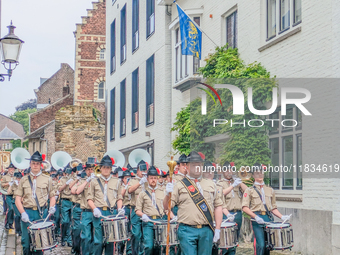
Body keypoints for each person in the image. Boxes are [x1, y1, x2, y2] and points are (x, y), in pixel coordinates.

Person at [164, 151, 223, 255]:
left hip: (206, 229)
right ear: (186, 166)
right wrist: (167, 194)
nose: (197, 167)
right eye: (194, 165)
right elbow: (167, 207)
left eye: (199, 165)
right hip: (187, 230)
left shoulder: (211, 184)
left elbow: (218, 206)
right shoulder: (179, 185)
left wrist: (217, 228)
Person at [242, 163, 291, 255]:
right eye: (257, 173)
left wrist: (282, 216)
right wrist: (255, 217)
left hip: (268, 218)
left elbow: (273, 208)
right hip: (257, 219)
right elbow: (245, 207)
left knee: (268, 245)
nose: (260, 175)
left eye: (261, 172)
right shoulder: (249, 190)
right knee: (260, 245)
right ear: (253, 175)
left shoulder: (270, 190)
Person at [15, 151, 56, 255]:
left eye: (37, 163)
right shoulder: (24, 180)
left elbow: (52, 196)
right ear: (30, 164)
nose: (35, 165)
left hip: (41, 213)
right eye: (33, 163)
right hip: (27, 212)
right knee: (26, 243)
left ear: (40, 165)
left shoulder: (48, 179)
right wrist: (22, 213)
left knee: (40, 244)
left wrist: (52, 207)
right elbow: (17, 199)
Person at [87, 155, 124, 255]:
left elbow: (119, 197)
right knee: (98, 242)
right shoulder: (94, 181)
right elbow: (89, 199)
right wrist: (94, 209)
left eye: (108, 167)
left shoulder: (117, 181)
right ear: (101, 168)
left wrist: (120, 209)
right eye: (104, 167)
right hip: (99, 212)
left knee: (110, 242)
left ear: (111, 169)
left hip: (111, 212)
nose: (106, 170)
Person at [135, 166, 173, 255]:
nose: (153, 180)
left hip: (161, 221)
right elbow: (137, 210)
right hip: (148, 221)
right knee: (149, 246)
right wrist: (143, 215)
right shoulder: (142, 193)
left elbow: (167, 209)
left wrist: (173, 217)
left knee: (160, 247)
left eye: (155, 178)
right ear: (147, 179)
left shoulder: (163, 192)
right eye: (151, 178)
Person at [216, 161, 247, 255]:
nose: (229, 172)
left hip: (237, 213)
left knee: (234, 241)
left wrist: (239, 182)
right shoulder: (220, 183)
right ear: (223, 172)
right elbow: (221, 193)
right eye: (226, 170)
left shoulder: (236, 182)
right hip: (226, 214)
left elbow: (247, 191)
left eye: (230, 170)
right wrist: (232, 186)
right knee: (225, 241)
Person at [73, 159, 96, 255]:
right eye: (88, 169)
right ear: (85, 170)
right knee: (86, 237)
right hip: (86, 211)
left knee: (96, 238)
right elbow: (77, 191)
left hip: (96, 211)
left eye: (92, 169)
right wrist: (87, 180)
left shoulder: (98, 181)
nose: (90, 171)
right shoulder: (82, 180)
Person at [127, 160, 148, 255]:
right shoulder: (133, 180)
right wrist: (140, 182)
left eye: (145, 169)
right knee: (136, 234)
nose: (143, 172)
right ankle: (135, 252)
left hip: (147, 210)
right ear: (137, 171)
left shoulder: (148, 180)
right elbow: (130, 190)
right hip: (136, 210)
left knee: (145, 235)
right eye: (141, 170)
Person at [57, 164, 74, 246]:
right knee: (65, 221)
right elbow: (59, 189)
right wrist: (66, 183)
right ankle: (63, 238)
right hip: (65, 200)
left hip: (73, 200)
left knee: (71, 221)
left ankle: (69, 240)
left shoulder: (75, 179)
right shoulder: (62, 179)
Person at [70, 164, 84, 255]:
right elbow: (71, 187)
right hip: (77, 207)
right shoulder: (77, 180)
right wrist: (77, 178)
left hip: (87, 208)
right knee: (77, 230)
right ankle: (76, 248)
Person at [119, 168, 134, 255]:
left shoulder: (132, 185)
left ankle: (129, 250)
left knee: (130, 230)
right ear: (123, 179)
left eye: (129, 178)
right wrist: (126, 186)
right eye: (126, 178)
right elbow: (120, 194)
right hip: (124, 208)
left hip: (131, 208)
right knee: (123, 229)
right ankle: (121, 248)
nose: (128, 179)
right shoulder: (120, 186)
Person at [1, 162, 16, 229]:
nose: (12, 170)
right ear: (8, 169)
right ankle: (7, 223)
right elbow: (2, 185)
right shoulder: (5, 177)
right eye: (10, 169)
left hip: (15, 194)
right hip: (8, 194)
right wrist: (8, 183)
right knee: (10, 208)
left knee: (13, 210)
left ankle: (11, 223)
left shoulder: (16, 176)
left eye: (13, 169)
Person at [7, 172, 22, 236]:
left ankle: (21, 230)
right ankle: (17, 230)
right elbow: (9, 192)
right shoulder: (13, 184)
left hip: (22, 201)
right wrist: (10, 185)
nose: (18, 179)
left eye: (19, 178)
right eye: (17, 178)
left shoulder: (22, 184)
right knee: (17, 215)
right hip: (15, 201)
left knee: (22, 215)